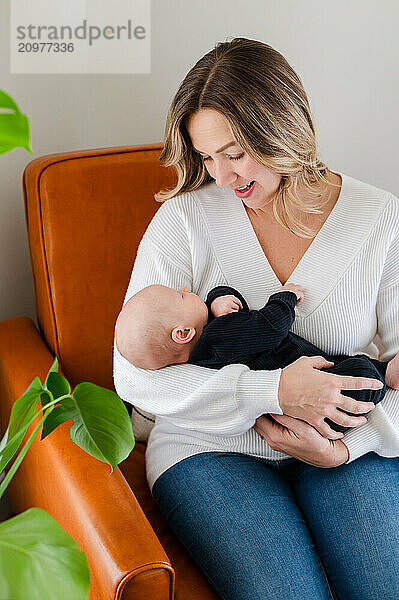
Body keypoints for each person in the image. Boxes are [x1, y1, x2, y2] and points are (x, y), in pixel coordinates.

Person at [113, 38, 399, 600]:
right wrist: (272, 390)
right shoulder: (186, 219)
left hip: (344, 442)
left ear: (282, 128)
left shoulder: (380, 220)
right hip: (209, 449)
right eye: (206, 157)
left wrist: (349, 448)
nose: (221, 175)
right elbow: (135, 374)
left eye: (236, 152)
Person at [115, 281, 398, 436]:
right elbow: (269, 327)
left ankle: (383, 372)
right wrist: (284, 299)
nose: (187, 290)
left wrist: (218, 298)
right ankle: (381, 378)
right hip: (316, 388)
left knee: (339, 363)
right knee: (357, 373)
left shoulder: (202, 352)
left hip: (292, 411)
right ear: (183, 333)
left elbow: (238, 316)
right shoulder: (221, 335)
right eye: (180, 296)